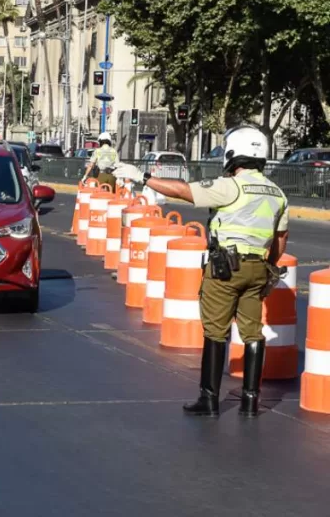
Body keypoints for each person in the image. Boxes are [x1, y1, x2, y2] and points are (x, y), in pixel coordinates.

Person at [113, 125, 288, 418]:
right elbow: (281, 240)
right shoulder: (277, 193)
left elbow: (184, 191)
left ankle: (209, 399)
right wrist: (268, 268)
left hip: (226, 269)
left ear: (233, 154)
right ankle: (250, 401)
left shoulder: (230, 185)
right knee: (252, 332)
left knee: (216, 331)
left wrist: (142, 177)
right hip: (258, 269)